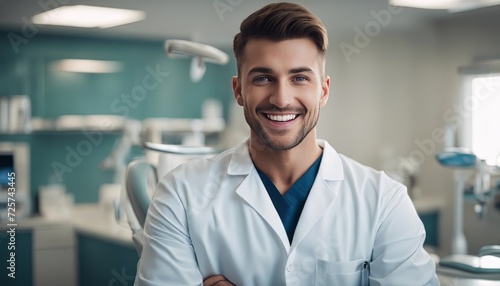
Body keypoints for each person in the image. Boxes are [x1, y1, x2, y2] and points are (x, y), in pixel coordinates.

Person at [134, 2, 439, 285]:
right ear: (239, 91)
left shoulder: (384, 202)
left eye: (300, 78)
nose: (281, 99)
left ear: (323, 91)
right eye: (263, 78)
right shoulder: (181, 195)